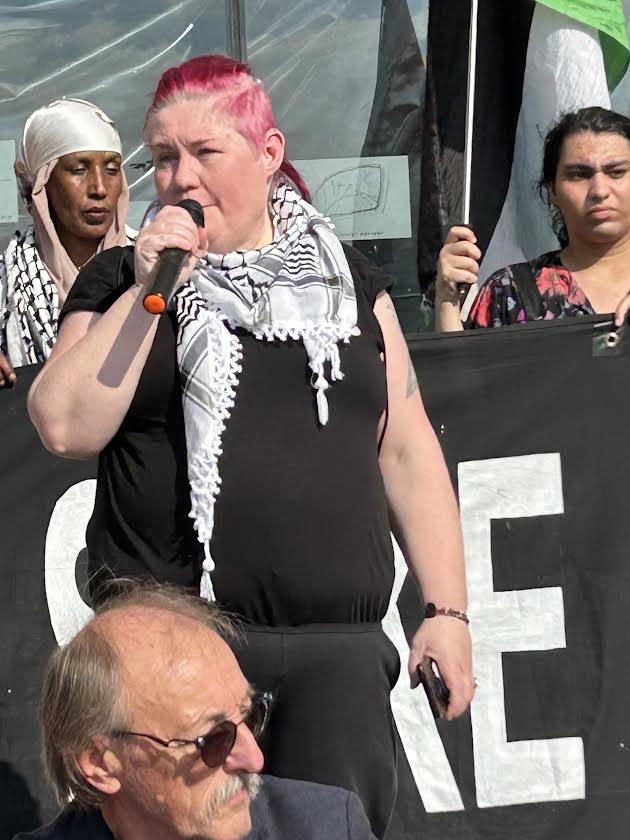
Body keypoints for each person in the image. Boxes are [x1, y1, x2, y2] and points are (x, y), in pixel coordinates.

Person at [28, 55, 474, 837]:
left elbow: (404, 449)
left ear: (269, 155)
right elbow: (67, 426)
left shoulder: (349, 282)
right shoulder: (118, 282)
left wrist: (447, 610)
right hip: (177, 663)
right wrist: (147, 289)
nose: (180, 178)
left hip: (330, 655)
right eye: (163, 158)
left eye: (206, 154)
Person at [12, 583, 378, 840]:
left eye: (250, 716)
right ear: (100, 763)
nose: (254, 758)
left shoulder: (324, 827)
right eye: (214, 740)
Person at [434, 107, 630, 331]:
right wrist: (446, 301)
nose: (599, 190)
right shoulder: (510, 292)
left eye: (616, 172)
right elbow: (463, 366)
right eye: (579, 174)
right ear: (552, 191)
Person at [0, 97, 130, 386]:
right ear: (42, 185)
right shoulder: (7, 284)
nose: (99, 188)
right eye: (78, 169)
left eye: (111, 169)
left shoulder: (152, 267)